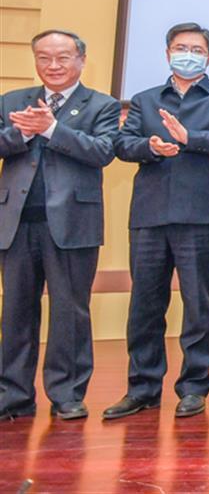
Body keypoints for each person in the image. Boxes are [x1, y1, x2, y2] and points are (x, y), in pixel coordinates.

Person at [104, 23, 209, 420]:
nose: (188, 54)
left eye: (196, 49)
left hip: (201, 216)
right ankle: (143, 388)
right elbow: (121, 144)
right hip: (149, 216)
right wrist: (149, 146)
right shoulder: (145, 99)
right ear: (167, 53)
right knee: (145, 306)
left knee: (200, 306)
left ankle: (194, 387)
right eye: (181, 48)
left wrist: (189, 137)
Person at [0, 30, 120, 421]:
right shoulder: (12, 101)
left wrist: (52, 129)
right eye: (44, 57)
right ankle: (13, 394)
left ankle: (67, 394)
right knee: (16, 312)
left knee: (70, 312)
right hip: (16, 223)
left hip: (73, 224)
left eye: (63, 57)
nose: (53, 65)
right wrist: (21, 132)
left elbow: (103, 151)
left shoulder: (101, 105)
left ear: (81, 60)